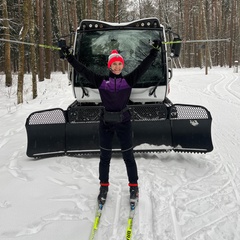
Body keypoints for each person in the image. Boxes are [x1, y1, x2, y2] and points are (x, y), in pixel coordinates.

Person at [61, 42, 160, 206]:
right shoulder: (101, 81)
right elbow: (82, 70)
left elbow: (144, 66)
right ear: (109, 65)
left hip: (124, 122)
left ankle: (134, 187)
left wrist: (154, 52)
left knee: (128, 156)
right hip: (106, 122)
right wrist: (69, 56)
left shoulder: (128, 81)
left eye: (119, 63)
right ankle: (103, 187)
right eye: (114, 64)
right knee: (104, 157)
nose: (117, 67)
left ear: (122, 65)